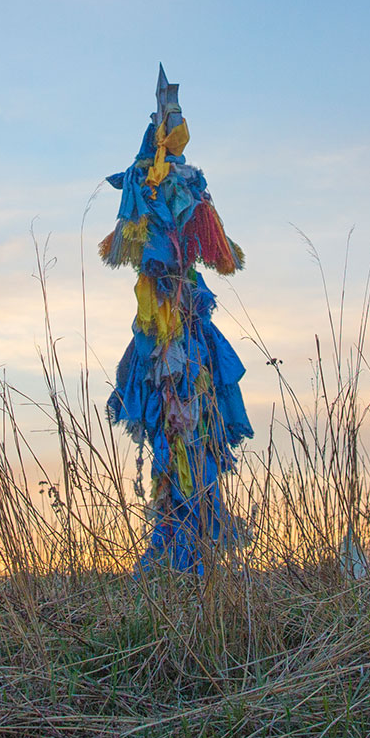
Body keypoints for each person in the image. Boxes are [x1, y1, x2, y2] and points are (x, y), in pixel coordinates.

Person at [99, 67, 254, 572]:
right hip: (170, 315)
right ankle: (181, 542)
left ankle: (189, 544)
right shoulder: (156, 181)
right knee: (176, 413)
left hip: (180, 315)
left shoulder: (180, 184)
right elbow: (210, 253)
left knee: (188, 412)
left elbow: (217, 252)